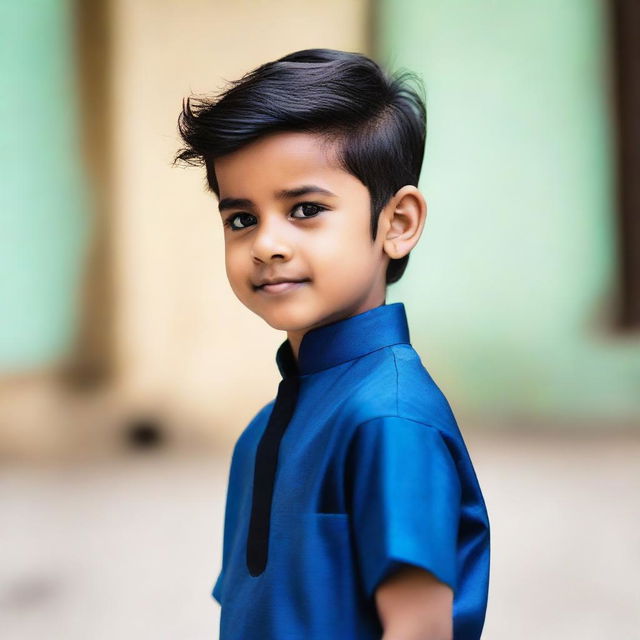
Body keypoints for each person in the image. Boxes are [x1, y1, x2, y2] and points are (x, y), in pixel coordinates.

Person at [174, 48, 490, 640]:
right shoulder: (264, 430)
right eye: (241, 218)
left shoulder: (390, 421)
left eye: (305, 209)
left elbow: (419, 630)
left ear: (397, 223)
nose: (267, 243)